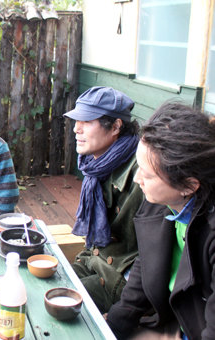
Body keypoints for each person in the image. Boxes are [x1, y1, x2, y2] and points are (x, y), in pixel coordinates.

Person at [106, 103, 215, 340]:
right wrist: (113, 326)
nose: (136, 179)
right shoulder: (161, 199)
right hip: (171, 319)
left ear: (189, 185)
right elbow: (146, 261)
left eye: (147, 174)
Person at [63, 86, 143, 313]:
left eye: (87, 121)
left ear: (116, 126)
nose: (76, 129)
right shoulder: (96, 165)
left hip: (120, 281)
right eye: (76, 120)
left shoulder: (143, 173)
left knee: (56, 304)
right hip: (94, 261)